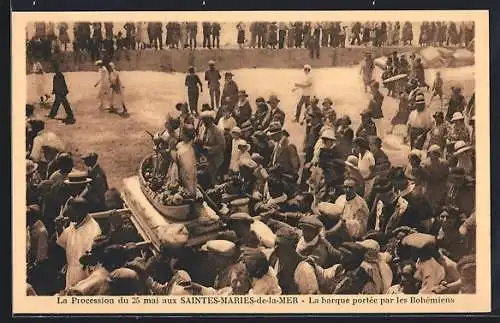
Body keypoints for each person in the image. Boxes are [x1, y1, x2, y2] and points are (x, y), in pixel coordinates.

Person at [55, 197, 102, 289]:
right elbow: (64, 242)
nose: (67, 215)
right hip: (71, 272)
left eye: (70, 212)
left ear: (80, 212)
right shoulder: (74, 224)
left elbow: (90, 258)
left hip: (85, 275)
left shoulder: (94, 229)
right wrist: (59, 228)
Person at [196, 110, 226, 187]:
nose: (204, 122)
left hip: (215, 157)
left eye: (206, 120)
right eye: (203, 120)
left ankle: (214, 186)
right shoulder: (202, 128)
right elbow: (200, 139)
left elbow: (222, 146)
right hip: (205, 156)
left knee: (210, 171)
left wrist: (209, 149)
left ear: (211, 120)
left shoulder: (217, 130)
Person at [422, 145, 449, 214]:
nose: (434, 155)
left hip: (439, 188)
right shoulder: (425, 163)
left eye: (436, 153)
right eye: (433, 153)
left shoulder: (444, 163)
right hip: (428, 187)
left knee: (438, 206)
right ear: (429, 153)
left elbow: (446, 175)